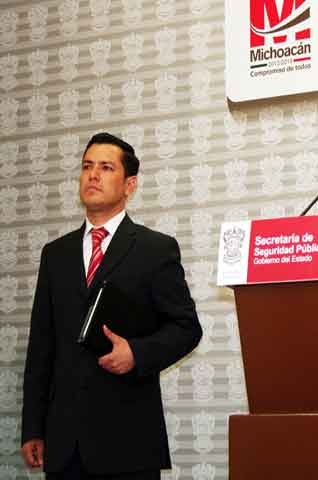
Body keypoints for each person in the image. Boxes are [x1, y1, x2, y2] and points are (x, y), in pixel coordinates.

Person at [21, 132, 202, 479]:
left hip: (127, 442)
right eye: (87, 166)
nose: (93, 175)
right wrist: (33, 427)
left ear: (129, 185)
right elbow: (41, 346)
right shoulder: (55, 254)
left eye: (106, 168)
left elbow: (187, 329)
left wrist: (137, 353)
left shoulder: (155, 249)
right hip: (64, 444)